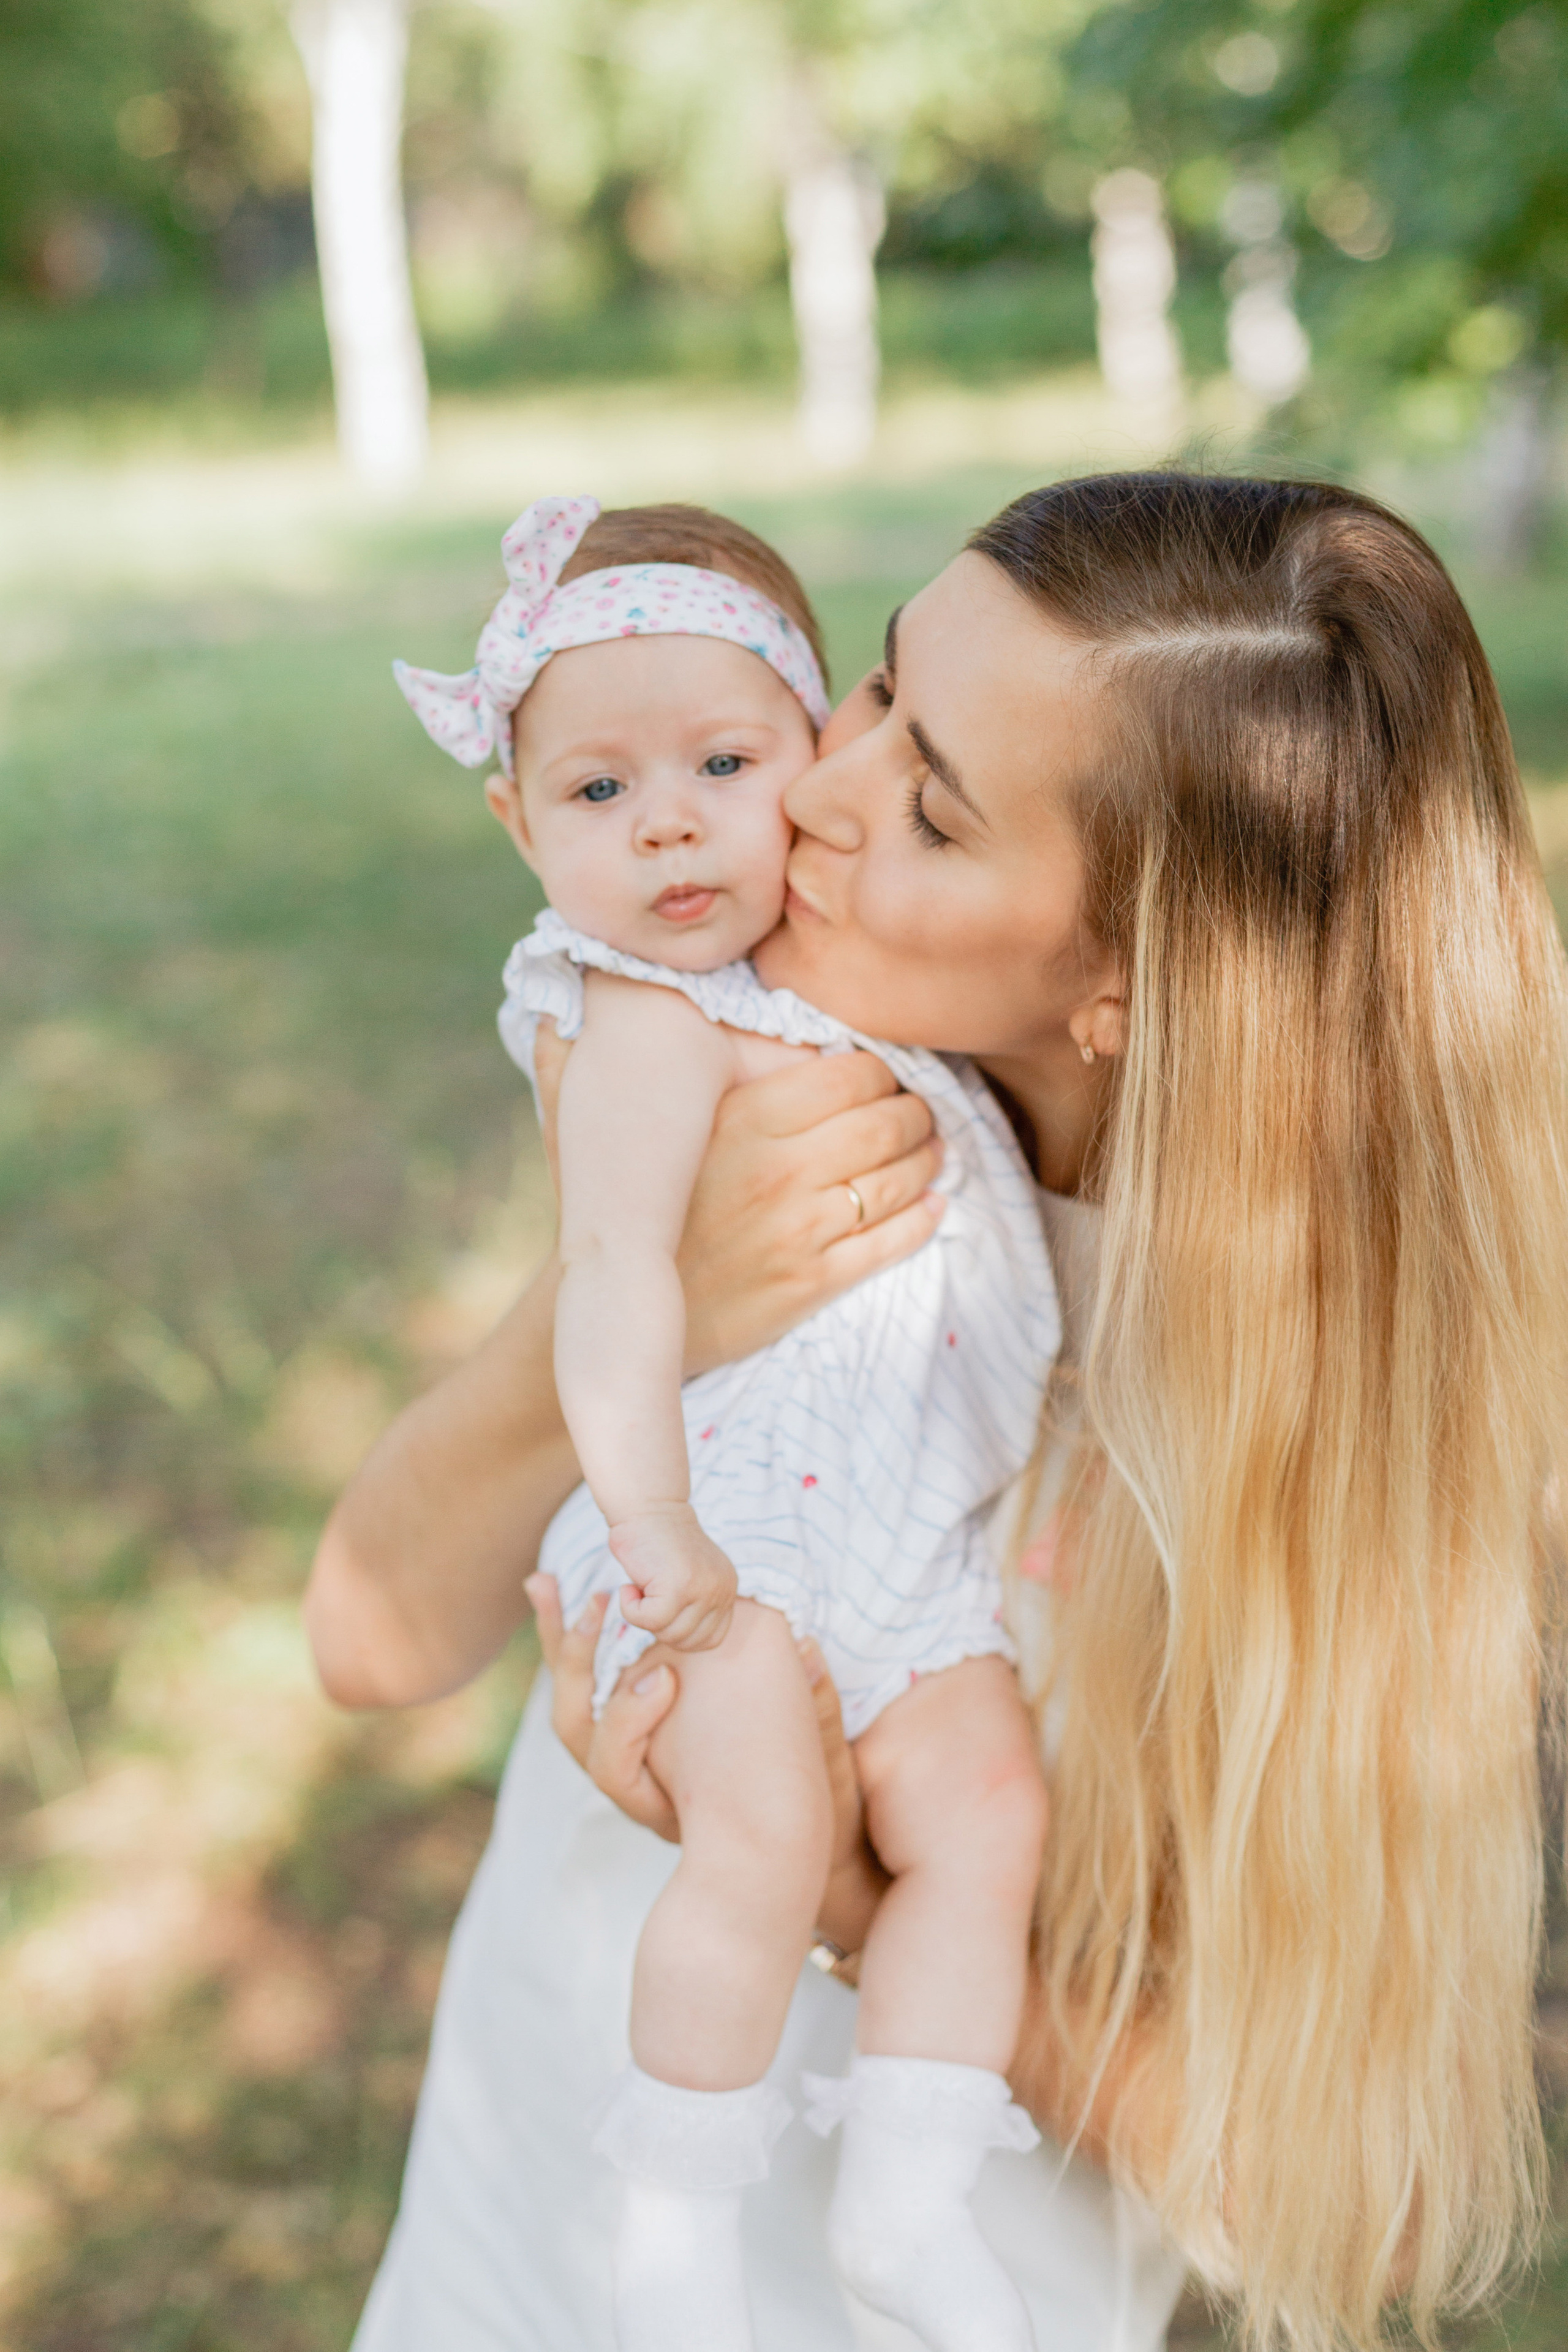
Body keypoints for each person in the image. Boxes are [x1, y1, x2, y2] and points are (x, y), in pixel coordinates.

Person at [310, 473, 1568, 2352]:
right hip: (512, 2261)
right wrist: (640, 1307)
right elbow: (369, 1634)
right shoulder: (766, 1119)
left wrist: (832, 1877)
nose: (813, 787)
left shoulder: (1382, 1432)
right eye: (880, 689)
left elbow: (1363, 2213)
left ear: (1139, 988)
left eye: (932, 805)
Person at [393, 492, 1056, 2351]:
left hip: (896, 1541)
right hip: (719, 1525)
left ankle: (908, 2202)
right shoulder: (640, 1011)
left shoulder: (849, 989)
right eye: (596, 795)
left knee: (986, 1808)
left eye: (723, 762)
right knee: (763, 1821)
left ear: (809, 761)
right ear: (519, 830)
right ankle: (674, 2229)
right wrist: (652, 1516)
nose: (669, 820)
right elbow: (612, 1271)